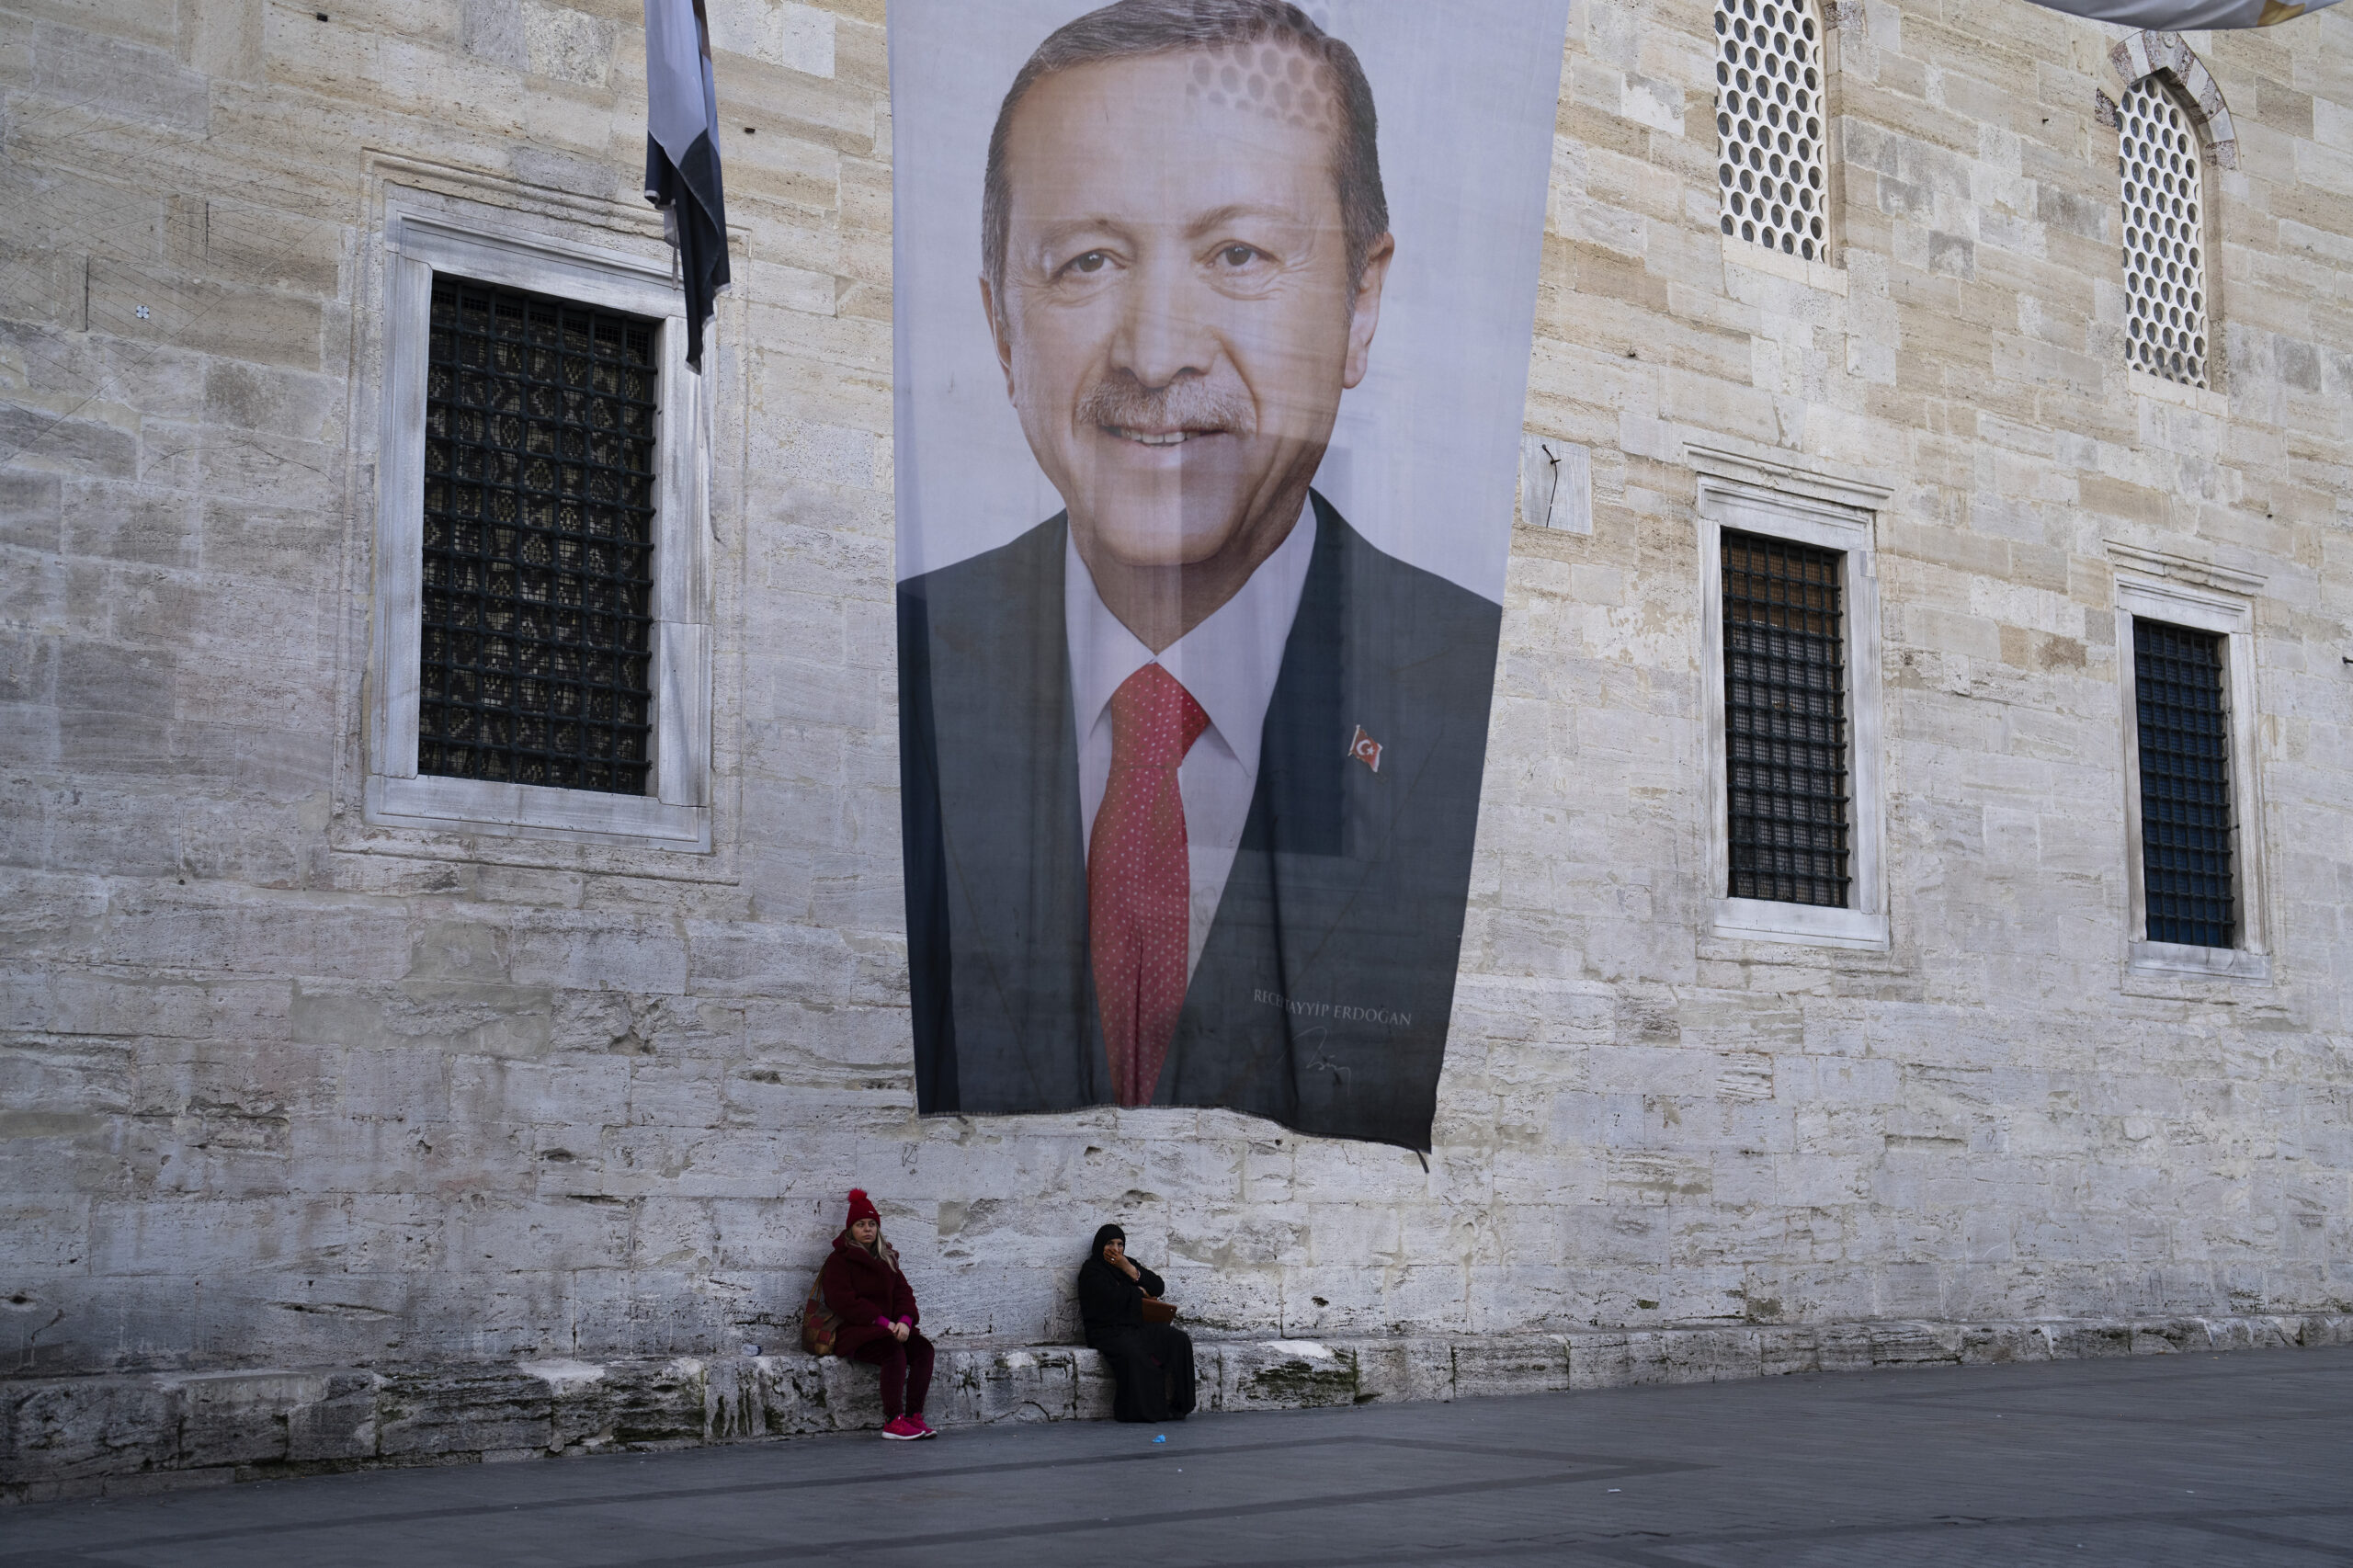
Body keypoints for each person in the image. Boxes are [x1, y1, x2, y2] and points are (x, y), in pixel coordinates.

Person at [898, 0, 1501, 1152]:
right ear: (1001, 327)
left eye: (1238, 255)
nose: (1156, 349)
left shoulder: (1478, 684)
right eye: (1087, 261)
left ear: (1362, 302)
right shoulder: (901, 663)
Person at [817, 1189, 938, 1439]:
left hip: (890, 1330)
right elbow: (843, 1301)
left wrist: (905, 1321)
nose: (868, 1229)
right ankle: (893, 1421)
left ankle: (914, 1417)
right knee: (893, 1353)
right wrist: (883, 1322)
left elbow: (904, 1293)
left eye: (872, 1224)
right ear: (851, 1229)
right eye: (861, 1225)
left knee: (923, 1349)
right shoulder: (839, 1260)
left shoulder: (887, 1259)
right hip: (855, 1333)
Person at [1077, 1223, 1196, 1423]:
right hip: (1107, 1331)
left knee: (1179, 1339)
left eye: (1120, 1244)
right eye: (1109, 1244)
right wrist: (1140, 1292)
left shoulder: (1127, 1264)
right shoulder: (1091, 1271)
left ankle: (1181, 1404)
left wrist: (1130, 1270)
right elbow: (1112, 1299)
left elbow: (1158, 1286)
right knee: (1135, 1353)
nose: (1116, 1249)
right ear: (1100, 1246)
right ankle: (1148, 1411)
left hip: (1136, 1326)